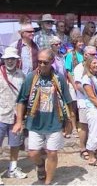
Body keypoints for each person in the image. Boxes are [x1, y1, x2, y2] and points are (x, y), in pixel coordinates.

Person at [13, 49, 73, 185]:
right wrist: (18, 121)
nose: (41, 65)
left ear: (52, 62)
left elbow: (67, 100)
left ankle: (48, 181)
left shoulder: (59, 78)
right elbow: (21, 100)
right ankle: (41, 166)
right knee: (33, 153)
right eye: (39, 62)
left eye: (45, 62)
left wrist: (70, 121)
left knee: (52, 153)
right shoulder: (31, 77)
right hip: (35, 122)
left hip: (54, 122)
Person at [0, 47, 27, 183]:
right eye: (7, 59)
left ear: (17, 60)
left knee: (15, 144)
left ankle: (13, 168)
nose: (10, 61)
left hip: (16, 116)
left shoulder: (21, 75)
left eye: (12, 59)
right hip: (1, 115)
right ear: (4, 60)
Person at [73, 46, 97, 161]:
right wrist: (89, 93)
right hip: (84, 101)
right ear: (85, 55)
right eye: (91, 54)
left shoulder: (95, 67)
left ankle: (92, 147)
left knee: (93, 126)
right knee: (84, 126)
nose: (94, 55)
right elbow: (77, 85)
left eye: (95, 54)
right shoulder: (79, 68)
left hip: (94, 101)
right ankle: (82, 148)